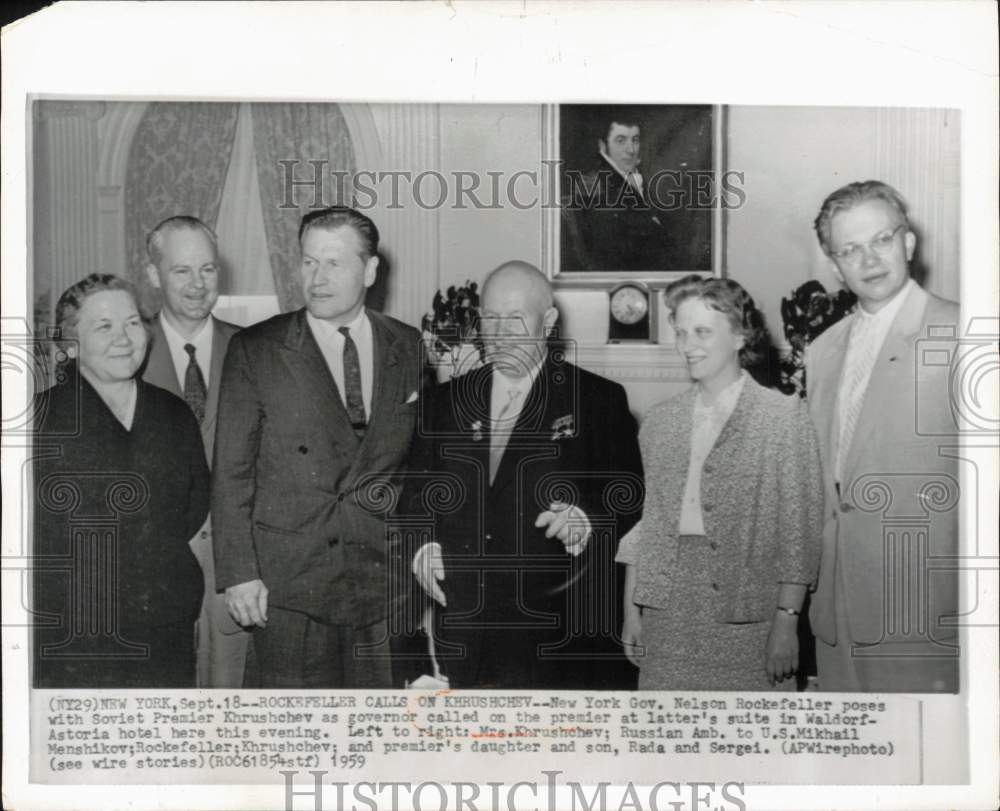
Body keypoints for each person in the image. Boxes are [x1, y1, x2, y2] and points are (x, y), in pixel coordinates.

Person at [405, 261, 643, 689]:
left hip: (558, 637)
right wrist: (424, 549)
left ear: (549, 322)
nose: (499, 333)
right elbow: (415, 498)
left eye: (515, 319)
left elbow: (630, 499)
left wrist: (586, 518)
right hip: (464, 631)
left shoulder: (597, 400)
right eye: (490, 318)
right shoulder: (443, 402)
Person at [212, 206, 422, 688]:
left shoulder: (407, 345)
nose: (317, 278)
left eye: (334, 263)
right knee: (290, 737)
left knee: (377, 737)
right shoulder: (258, 349)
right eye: (308, 262)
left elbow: (418, 466)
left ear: (370, 270)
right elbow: (231, 472)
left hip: (381, 581)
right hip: (291, 586)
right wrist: (240, 573)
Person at [619, 276, 823, 691]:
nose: (687, 344)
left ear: (739, 336)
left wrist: (787, 622)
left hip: (750, 617)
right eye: (680, 332)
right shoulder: (660, 422)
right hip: (668, 615)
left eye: (702, 332)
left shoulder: (783, 417)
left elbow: (799, 534)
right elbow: (650, 523)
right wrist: (631, 608)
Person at [806, 180, 960, 692]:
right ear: (834, 265)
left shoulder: (962, 332)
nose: (868, 259)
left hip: (922, 608)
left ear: (909, 243)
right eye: (850, 249)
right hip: (836, 609)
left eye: (882, 239)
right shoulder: (822, 350)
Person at [33, 274, 208, 688]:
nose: (124, 338)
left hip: (167, 622)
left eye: (132, 323)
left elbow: (193, 506)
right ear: (71, 344)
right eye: (104, 326)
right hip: (77, 634)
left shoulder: (174, 414)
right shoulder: (42, 422)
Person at [141, 215, 246, 688]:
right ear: (153, 275)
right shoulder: (127, 352)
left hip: (232, 567)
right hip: (153, 572)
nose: (197, 284)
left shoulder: (251, 351)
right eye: (182, 270)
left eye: (207, 270)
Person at [563, 112, 677, 272]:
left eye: (635, 140)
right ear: (603, 145)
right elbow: (608, 255)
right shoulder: (592, 184)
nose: (630, 150)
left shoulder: (638, 176)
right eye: (620, 141)